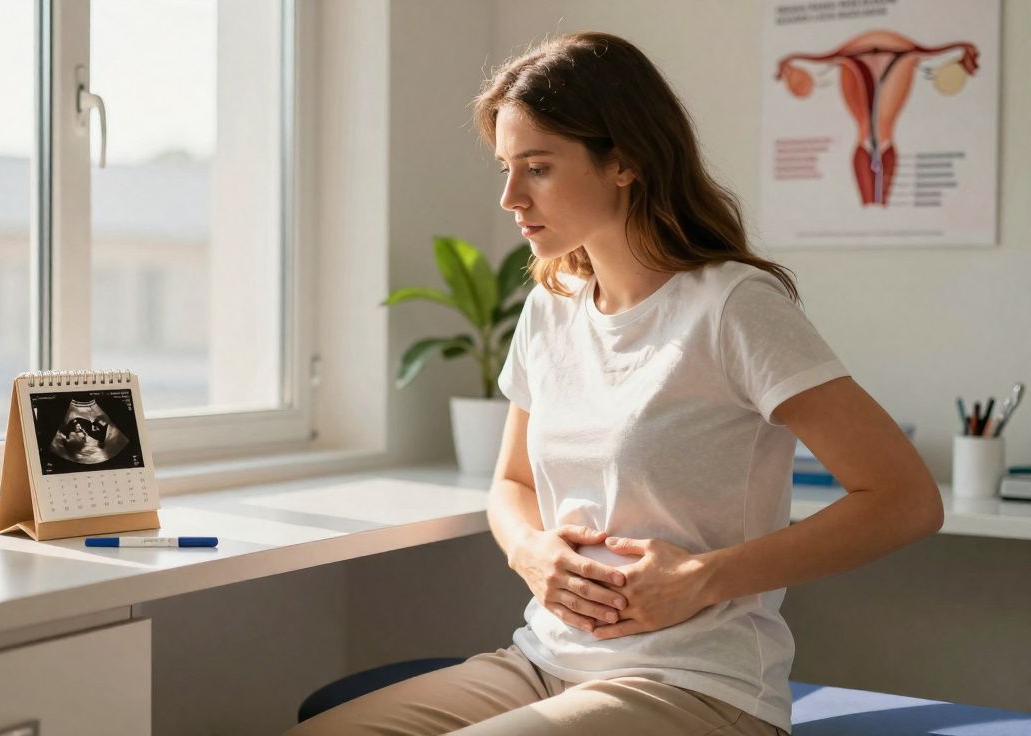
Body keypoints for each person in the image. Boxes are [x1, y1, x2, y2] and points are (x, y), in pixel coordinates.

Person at [286, 31, 942, 736]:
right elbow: (511, 483)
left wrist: (703, 579)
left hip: (695, 685)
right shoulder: (550, 306)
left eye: (536, 167)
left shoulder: (732, 306)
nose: (510, 196)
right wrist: (528, 551)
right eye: (506, 167)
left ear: (624, 161)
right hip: (544, 660)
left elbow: (904, 501)